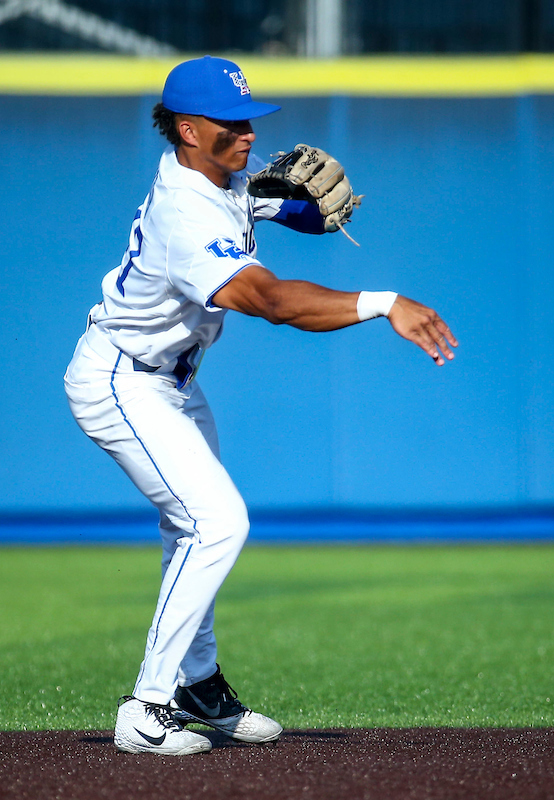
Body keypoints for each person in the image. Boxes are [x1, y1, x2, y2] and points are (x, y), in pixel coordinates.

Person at [63, 56, 458, 756]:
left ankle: (199, 685)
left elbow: (292, 208)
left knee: (189, 530)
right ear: (187, 128)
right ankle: (146, 708)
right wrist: (382, 302)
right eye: (229, 122)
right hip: (121, 381)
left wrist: (314, 208)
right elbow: (272, 302)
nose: (247, 134)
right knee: (216, 523)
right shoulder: (184, 211)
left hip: (173, 385)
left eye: (249, 120)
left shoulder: (226, 180)